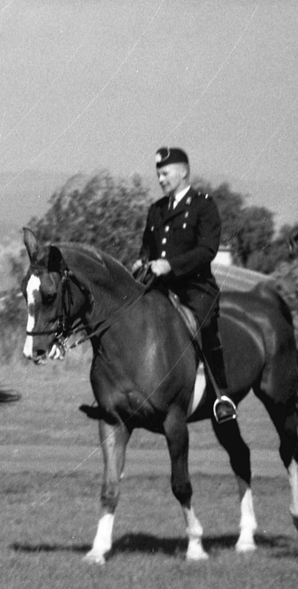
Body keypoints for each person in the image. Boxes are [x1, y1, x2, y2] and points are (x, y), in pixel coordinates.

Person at [132, 147, 236, 423]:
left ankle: (221, 395)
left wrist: (171, 265)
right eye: (158, 174)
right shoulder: (156, 210)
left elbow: (207, 250)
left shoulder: (203, 205)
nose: (161, 179)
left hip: (194, 288)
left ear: (183, 172)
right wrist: (141, 262)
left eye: (165, 173)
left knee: (204, 325)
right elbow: (147, 247)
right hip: (159, 286)